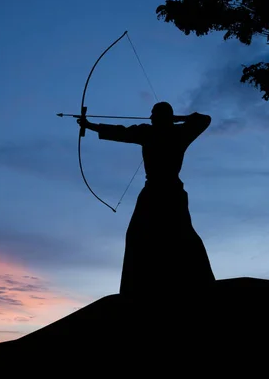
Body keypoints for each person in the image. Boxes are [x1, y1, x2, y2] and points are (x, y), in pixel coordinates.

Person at [78, 102, 215, 297]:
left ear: (161, 117)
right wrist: (90, 126)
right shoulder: (178, 132)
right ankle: (145, 287)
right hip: (164, 191)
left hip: (162, 192)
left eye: (154, 114)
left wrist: (90, 125)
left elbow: (205, 119)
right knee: (143, 234)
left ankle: (187, 285)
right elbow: (120, 132)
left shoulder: (159, 133)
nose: (150, 117)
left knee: (176, 235)